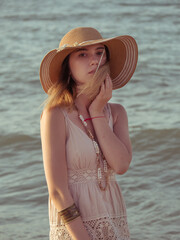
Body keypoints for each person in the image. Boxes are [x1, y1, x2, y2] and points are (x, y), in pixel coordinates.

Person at [39, 27, 138, 240]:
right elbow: (57, 191)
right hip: (75, 230)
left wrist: (96, 112)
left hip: (114, 223)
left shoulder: (117, 113)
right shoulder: (55, 115)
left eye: (99, 52)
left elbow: (121, 165)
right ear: (68, 66)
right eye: (83, 54)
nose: (94, 60)